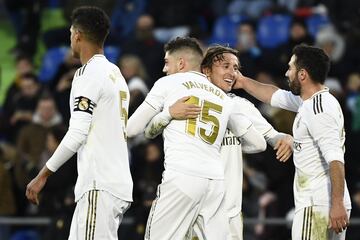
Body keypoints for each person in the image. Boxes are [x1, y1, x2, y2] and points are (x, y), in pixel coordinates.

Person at [144, 45, 293, 240]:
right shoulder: (184, 102)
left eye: (236, 68)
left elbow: (273, 137)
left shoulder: (240, 106)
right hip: (190, 208)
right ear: (206, 70)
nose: (232, 72)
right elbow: (154, 135)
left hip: (228, 213)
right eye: (225, 66)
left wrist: (286, 138)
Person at [25, 6, 133, 240]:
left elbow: (77, 132)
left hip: (99, 182)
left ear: (77, 35)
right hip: (113, 181)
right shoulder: (115, 74)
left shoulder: (88, 73)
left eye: (70, 33)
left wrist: (43, 174)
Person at [234, 44, 351, 238]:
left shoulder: (318, 109)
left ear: (302, 75)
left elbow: (336, 159)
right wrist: (243, 82)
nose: (287, 73)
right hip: (325, 202)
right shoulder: (312, 102)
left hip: (318, 204)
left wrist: (337, 203)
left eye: (291, 68)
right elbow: (273, 95)